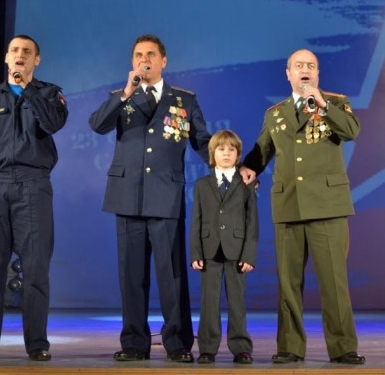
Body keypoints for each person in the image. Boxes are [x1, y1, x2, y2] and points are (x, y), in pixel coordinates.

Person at [89, 34, 211, 363]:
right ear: (132, 62)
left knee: (172, 274)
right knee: (131, 275)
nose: (145, 59)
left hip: (166, 196)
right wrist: (126, 93)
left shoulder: (183, 100)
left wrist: (234, 167)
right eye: (139, 55)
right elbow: (97, 125)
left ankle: (178, 343)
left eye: (151, 54)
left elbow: (203, 142)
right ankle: (133, 342)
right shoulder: (121, 97)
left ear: (163, 61)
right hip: (127, 196)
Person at [240, 49, 364, 365]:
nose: (304, 69)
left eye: (310, 65)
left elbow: (351, 131)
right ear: (289, 73)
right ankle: (290, 346)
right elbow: (262, 149)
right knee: (288, 282)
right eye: (298, 65)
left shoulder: (335, 103)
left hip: (328, 205)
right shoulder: (275, 114)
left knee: (333, 281)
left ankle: (343, 347)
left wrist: (323, 105)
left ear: (317, 73)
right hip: (289, 204)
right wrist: (249, 167)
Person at [0, 34, 68, 361]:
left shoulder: (50, 94)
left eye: (27, 52)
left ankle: (37, 345)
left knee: (35, 270)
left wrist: (28, 90)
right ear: (6, 58)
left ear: (37, 60)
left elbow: (53, 123)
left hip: (33, 186)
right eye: (15, 50)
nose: (20, 55)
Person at [190, 129, 258, 365]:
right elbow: (196, 221)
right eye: (221, 149)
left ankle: (241, 347)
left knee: (237, 302)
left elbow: (252, 221)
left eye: (231, 149)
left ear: (238, 155)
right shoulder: (202, 185)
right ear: (212, 153)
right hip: (209, 251)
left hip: (237, 252)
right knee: (209, 302)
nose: (226, 153)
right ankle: (207, 348)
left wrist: (249, 254)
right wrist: (196, 253)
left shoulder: (246, 183)